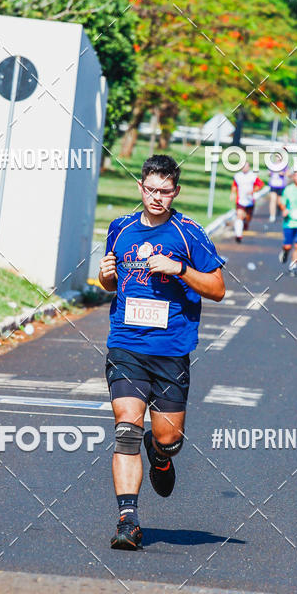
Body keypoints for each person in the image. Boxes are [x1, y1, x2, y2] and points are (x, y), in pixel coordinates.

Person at [99, 154, 225, 550]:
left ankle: (162, 455)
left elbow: (218, 289)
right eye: (151, 189)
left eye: (165, 191)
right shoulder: (120, 228)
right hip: (126, 345)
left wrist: (179, 269)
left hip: (171, 350)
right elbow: (111, 283)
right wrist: (104, 277)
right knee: (126, 429)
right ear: (140, 187)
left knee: (168, 438)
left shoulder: (189, 234)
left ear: (176, 192)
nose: (157, 197)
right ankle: (128, 521)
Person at [230, 161, 264, 242]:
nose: (244, 168)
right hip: (240, 200)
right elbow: (234, 185)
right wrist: (233, 193)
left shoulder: (253, 176)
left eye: (246, 166)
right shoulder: (238, 176)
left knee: (248, 218)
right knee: (239, 215)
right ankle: (238, 235)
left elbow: (260, 185)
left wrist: (253, 191)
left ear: (249, 167)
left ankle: (245, 223)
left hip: (250, 201)